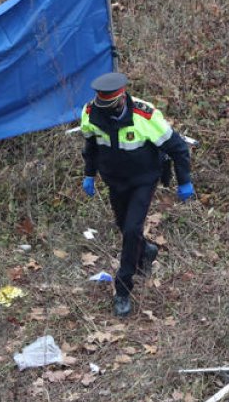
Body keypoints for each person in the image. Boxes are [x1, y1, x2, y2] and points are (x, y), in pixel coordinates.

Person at [79, 72, 194, 317]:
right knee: (124, 227)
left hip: (143, 180)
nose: (106, 110)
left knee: (131, 230)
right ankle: (147, 251)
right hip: (114, 181)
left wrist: (184, 181)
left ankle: (123, 289)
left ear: (121, 99)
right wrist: (89, 174)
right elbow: (91, 147)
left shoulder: (145, 115)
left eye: (110, 106)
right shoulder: (90, 112)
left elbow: (177, 148)